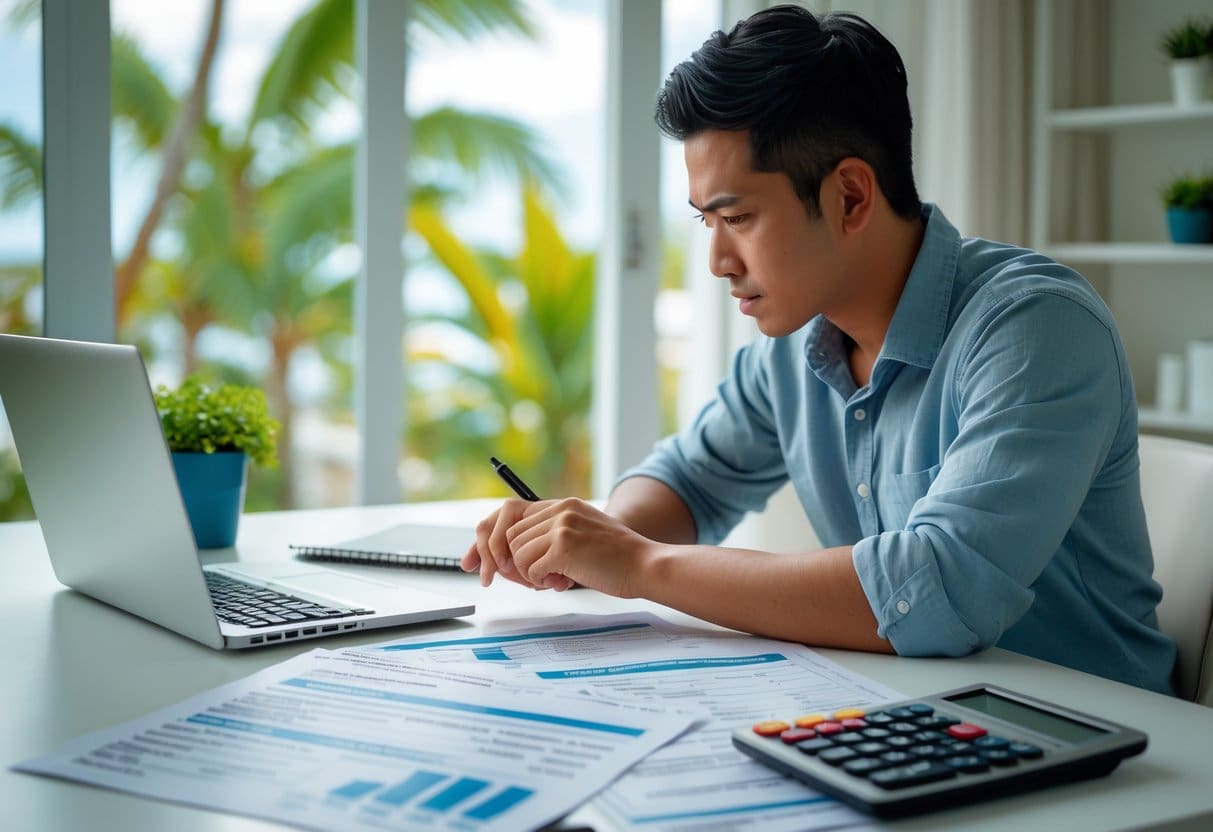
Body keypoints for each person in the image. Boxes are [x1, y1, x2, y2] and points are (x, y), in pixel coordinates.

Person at [461, 5, 1177, 695]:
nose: (715, 261)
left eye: (736, 218)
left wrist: (637, 563)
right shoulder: (796, 342)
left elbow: (937, 587)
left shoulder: (1033, 326)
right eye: (704, 222)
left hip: (1103, 739)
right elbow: (687, 481)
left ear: (851, 198)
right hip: (913, 710)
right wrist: (585, 543)